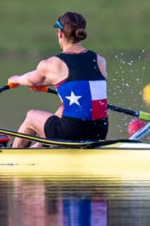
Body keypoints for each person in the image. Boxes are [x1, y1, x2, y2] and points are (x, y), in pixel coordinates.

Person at [7, 11, 109, 148]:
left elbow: (32, 80)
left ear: (60, 33)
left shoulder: (52, 64)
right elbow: (80, 80)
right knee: (62, 110)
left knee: (31, 116)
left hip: (73, 132)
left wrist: (16, 79)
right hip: (100, 132)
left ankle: (13, 158)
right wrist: (45, 82)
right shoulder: (100, 60)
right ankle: (37, 149)